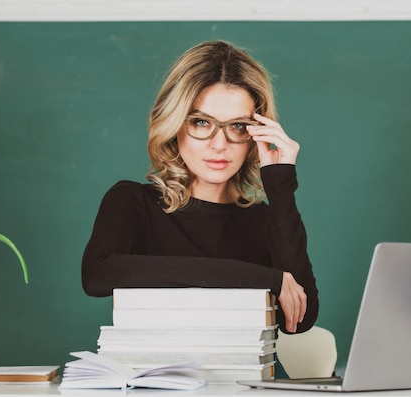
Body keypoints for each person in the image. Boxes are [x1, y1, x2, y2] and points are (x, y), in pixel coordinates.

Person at [82, 40, 318, 334]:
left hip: (242, 377)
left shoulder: (265, 221)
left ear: (258, 133)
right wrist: (266, 279)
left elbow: (299, 321)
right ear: (175, 124)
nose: (219, 145)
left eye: (238, 126)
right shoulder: (132, 202)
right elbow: (98, 275)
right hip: (152, 378)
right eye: (201, 123)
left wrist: (281, 185)